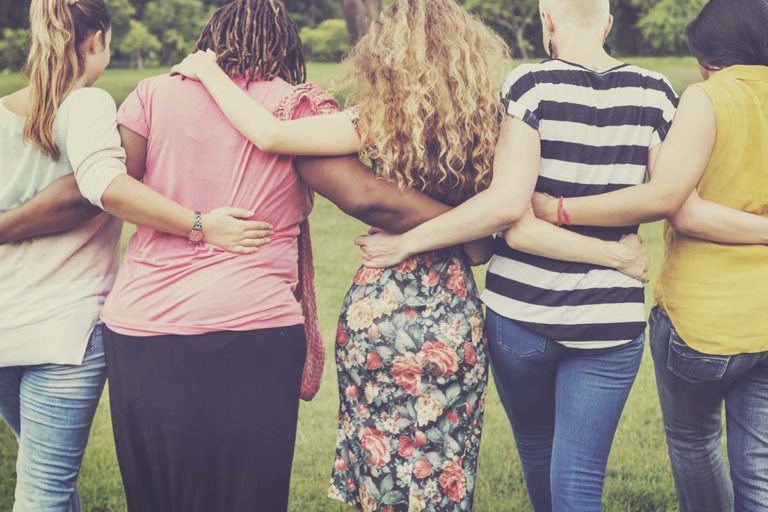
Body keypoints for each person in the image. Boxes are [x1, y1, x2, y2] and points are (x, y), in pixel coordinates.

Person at [172, 1, 651, 510]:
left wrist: (209, 71)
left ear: (385, 56)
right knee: (441, 472)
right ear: (470, 55)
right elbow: (495, 229)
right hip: (451, 314)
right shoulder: (493, 123)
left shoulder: (379, 120)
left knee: (381, 474)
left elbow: (270, 134)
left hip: (380, 306)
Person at [352, 0, 763, 509]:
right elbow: (667, 195)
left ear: (548, 22)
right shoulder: (656, 91)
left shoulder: (529, 86)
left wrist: (407, 242)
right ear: (608, 23)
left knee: (536, 446)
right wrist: (616, 257)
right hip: (610, 321)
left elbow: (510, 212)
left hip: (521, 315)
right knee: (580, 475)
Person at [0, 0, 267, 511]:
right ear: (96, 40)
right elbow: (99, 186)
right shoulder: (87, 104)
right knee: (43, 493)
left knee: (46, 483)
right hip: (65, 330)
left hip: (8, 326)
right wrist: (199, 225)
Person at [529, 0, 768, 510]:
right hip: (765, 319)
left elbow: (676, 206)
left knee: (693, 439)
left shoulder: (708, 98)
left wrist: (561, 209)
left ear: (713, 55)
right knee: (759, 462)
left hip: (701, 321)